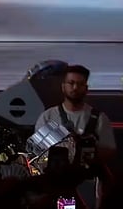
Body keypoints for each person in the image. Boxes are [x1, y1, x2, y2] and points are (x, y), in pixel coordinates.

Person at [35, 64, 117, 208]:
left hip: (86, 182)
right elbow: (36, 151)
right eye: (71, 83)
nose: (75, 88)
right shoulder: (48, 117)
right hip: (54, 183)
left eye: (79, 84)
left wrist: (89, 153)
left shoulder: (98, 118)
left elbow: (109, 149)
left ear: (86, 88)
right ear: (63, 87)